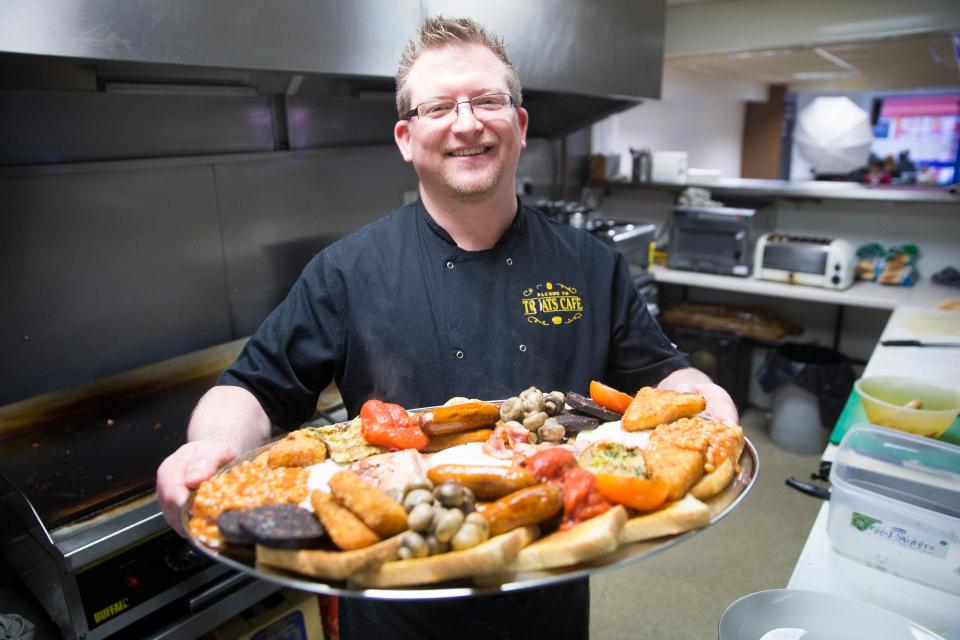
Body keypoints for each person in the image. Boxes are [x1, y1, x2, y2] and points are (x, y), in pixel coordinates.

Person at [156, 16, 738, 640]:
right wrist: (207, 445)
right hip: (394, 596)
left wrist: (705, 394)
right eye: (439, 107)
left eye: (487, 100)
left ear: (518, 125)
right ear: (407, 138)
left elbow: (661, 375)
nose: (466, 123)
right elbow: (253, 388)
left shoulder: (589, 264)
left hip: (548, 589)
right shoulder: (348, 270)